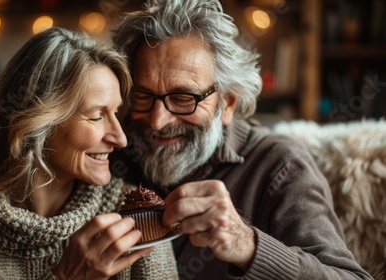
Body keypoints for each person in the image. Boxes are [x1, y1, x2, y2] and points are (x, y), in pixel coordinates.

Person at [110, 0, 373, 279]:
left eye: (183, 98)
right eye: (143, 96)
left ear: (229, 103)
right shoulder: (112, 153)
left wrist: (244, 243)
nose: (157, 120)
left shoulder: (279, 166)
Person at [0, 27, 178, 279]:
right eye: (97, 116)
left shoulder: (137, 217)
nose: (119, 138)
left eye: (116, 113)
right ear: (37, 122)